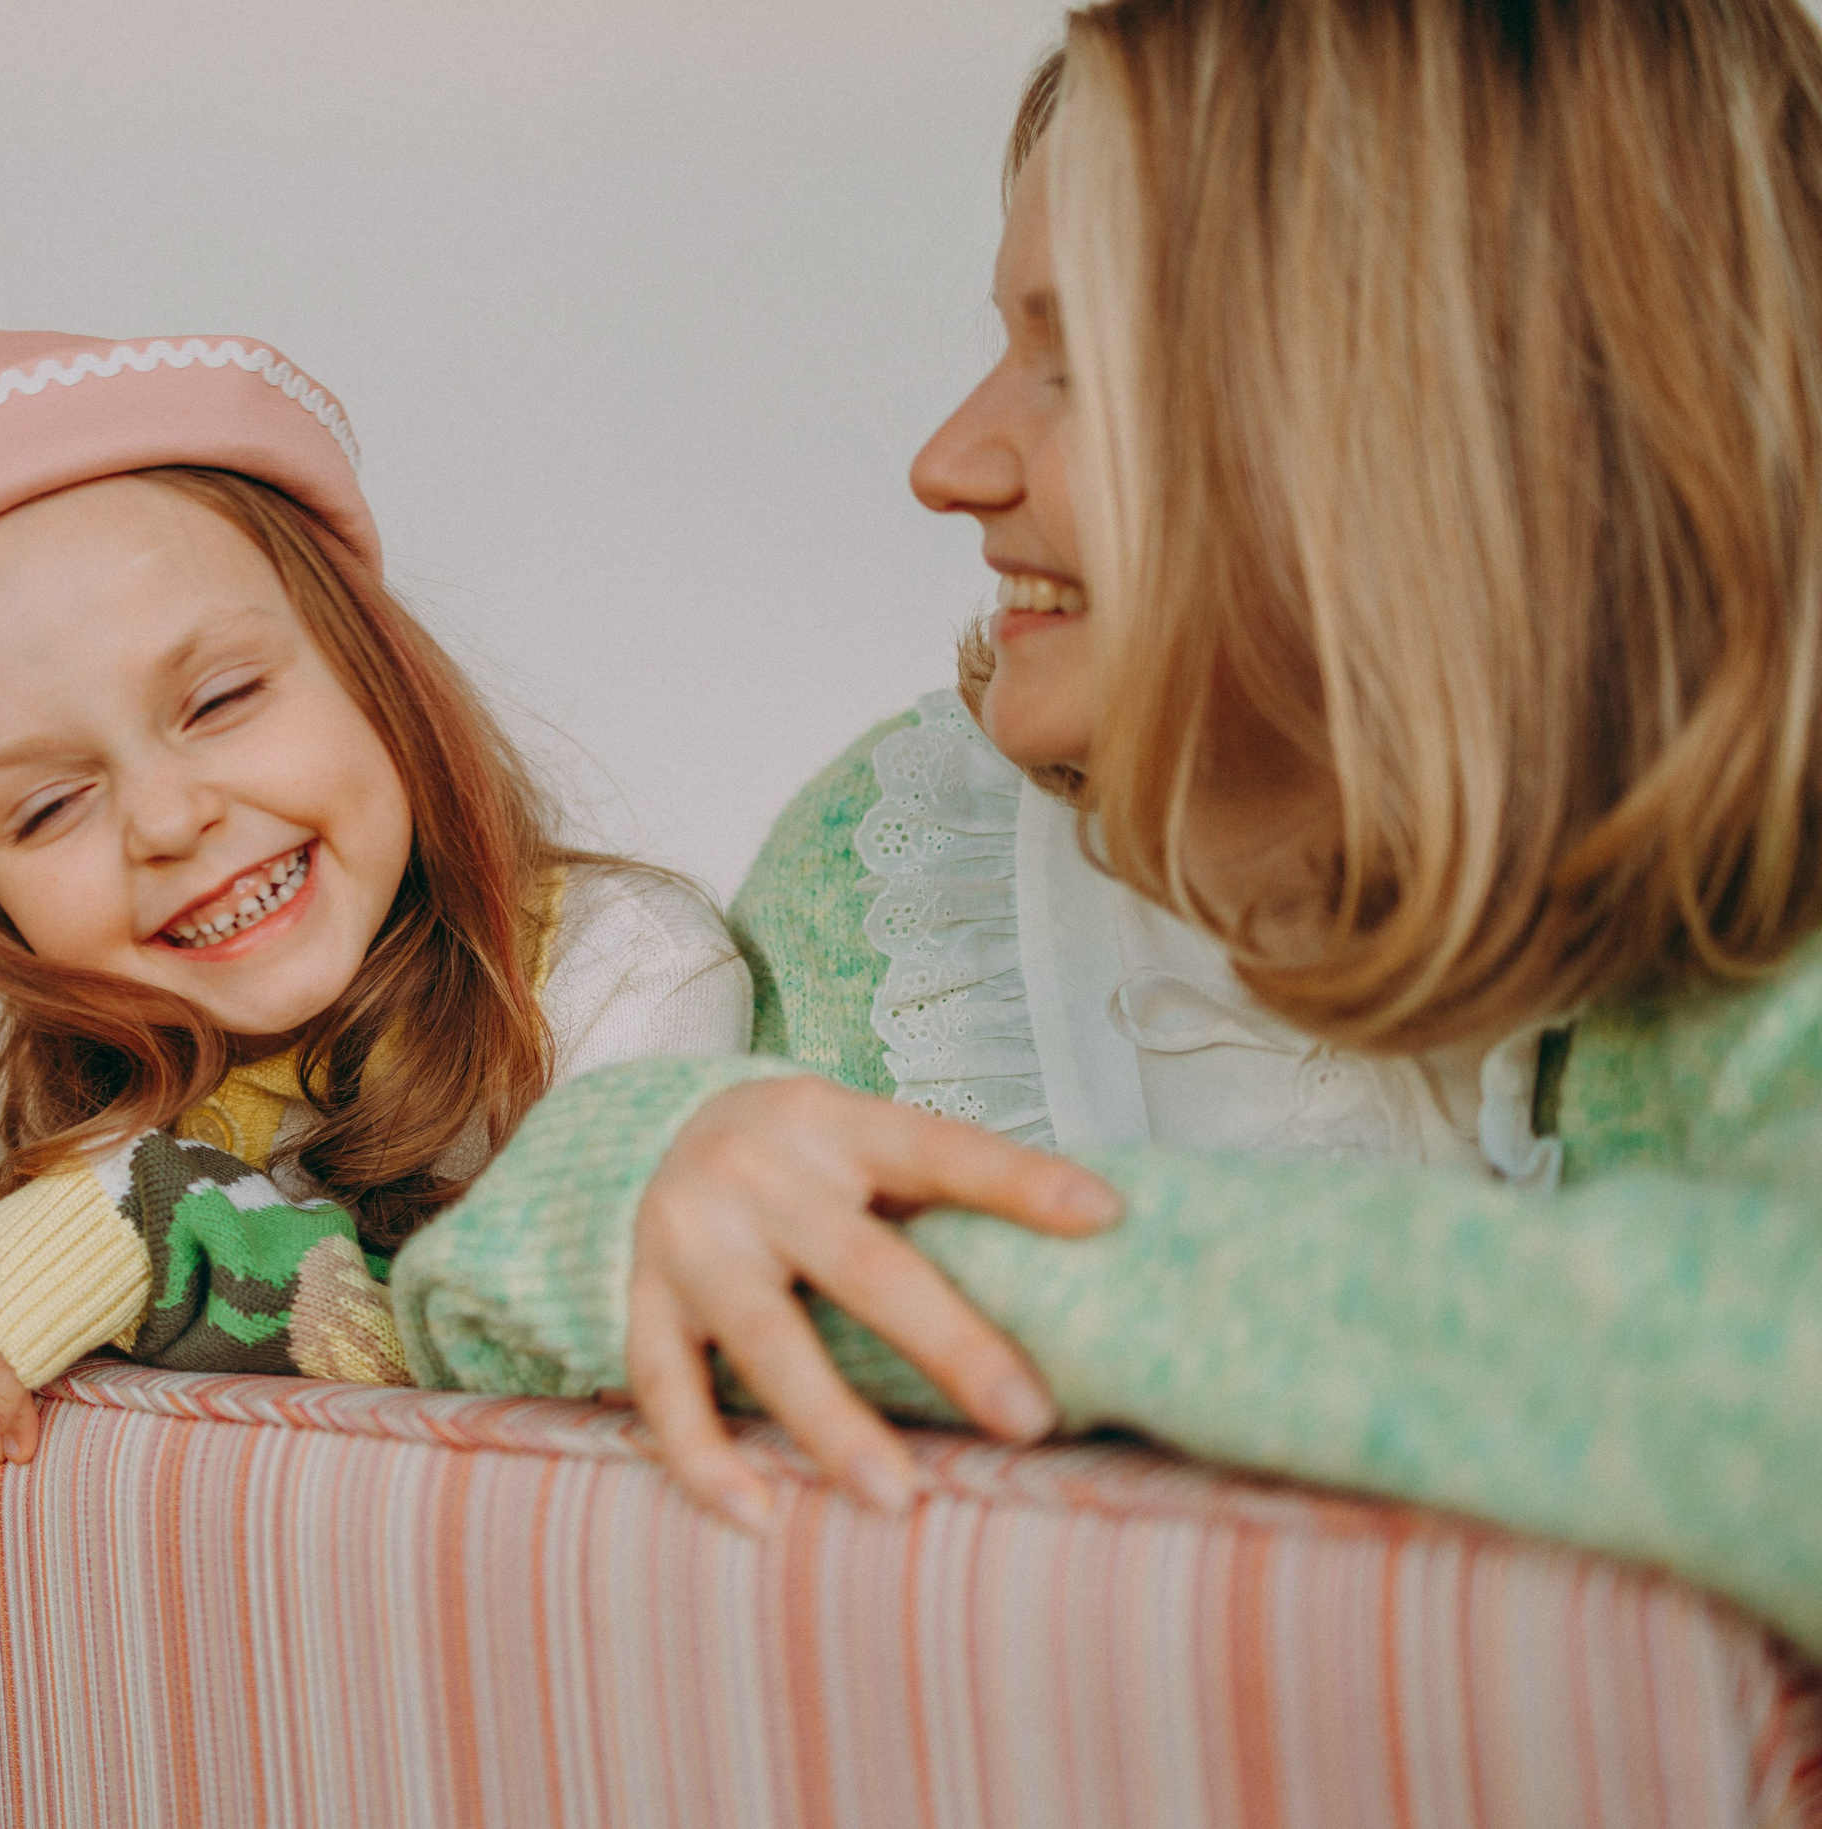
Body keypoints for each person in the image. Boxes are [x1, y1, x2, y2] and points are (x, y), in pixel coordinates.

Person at [392, 0, 1822, 1655]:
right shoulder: (902, 868)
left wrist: (950, 1269)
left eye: (1079, 367)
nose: (945, 464)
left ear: (1463, 415)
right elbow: (483, 1288)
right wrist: (640, 1174)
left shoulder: (1766, 896)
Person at [0, 331, 750, 1466]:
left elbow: (569, 1356)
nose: (168, 819)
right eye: (46, 808)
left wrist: (160, 1233)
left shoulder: (619, 973)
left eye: (221, 698)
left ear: (371, 663)